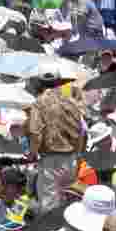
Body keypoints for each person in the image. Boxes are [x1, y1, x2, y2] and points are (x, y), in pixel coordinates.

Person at [27, 63, 86, 213]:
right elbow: (81, 132)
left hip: (51, 161)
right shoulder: (71, 102)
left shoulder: (39, 103)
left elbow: (35, 132)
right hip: (71, 159)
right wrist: (77, 155)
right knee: (69, 203)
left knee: (50, 208)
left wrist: (33, 153)